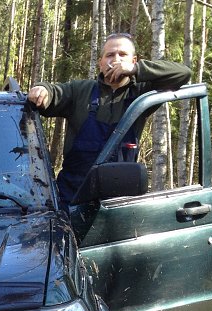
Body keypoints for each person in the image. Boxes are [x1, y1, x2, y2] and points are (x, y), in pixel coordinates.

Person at [28, 33, 191, 209]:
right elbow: (53, 93)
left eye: (122, 54)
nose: (116, 60)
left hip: (118, 206)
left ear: (133, 60)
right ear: (101, 62)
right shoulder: (80, 91)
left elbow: (183, 73)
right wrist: (42, 90)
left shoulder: (142, 94)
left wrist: (136, 70)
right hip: (71, 202)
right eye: (110, 55)